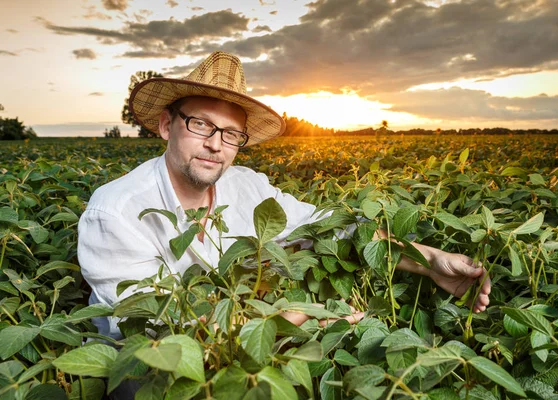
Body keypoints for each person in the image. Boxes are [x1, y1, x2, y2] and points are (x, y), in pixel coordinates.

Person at [78, 51, 490, 340]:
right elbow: (163, 333)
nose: (215, 145)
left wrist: (429, 260)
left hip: (251, 336)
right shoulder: (115, 213)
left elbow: (329, 229)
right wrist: (302, 321)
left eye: (231, 134)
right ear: (167, 125)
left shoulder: (249, 187)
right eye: (201, 125)